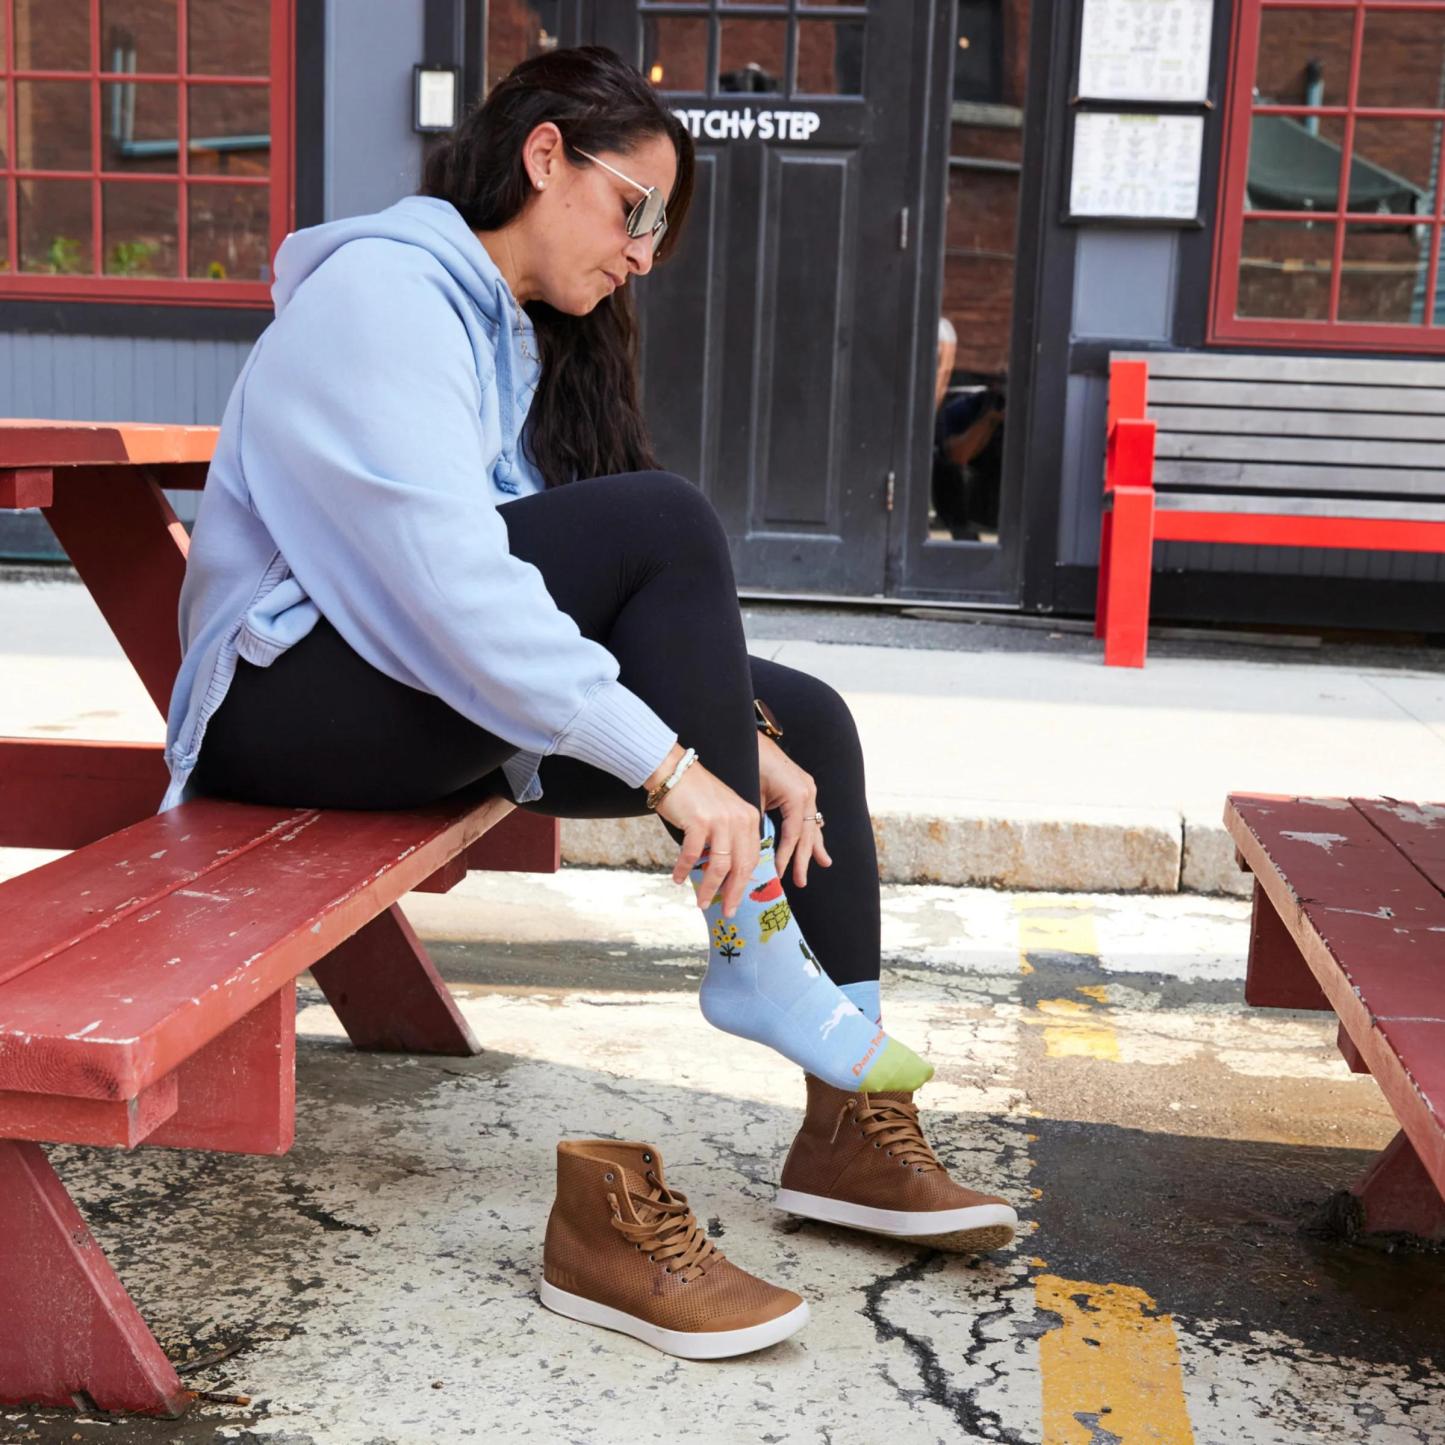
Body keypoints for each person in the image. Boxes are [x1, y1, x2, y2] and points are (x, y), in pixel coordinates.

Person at [163, 45, 1016, 1355]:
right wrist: (676, 767)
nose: (644, 253)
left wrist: (735, 733)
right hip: (284, 705)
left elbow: (524, 599)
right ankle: (755, 950)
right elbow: (450, 590)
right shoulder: (383, 299)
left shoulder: (503, 331)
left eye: (659, 228)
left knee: (809, 721)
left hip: (400, 686)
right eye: (636, 209)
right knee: (664, 521)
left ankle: (849, 1130)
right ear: (545, 154)